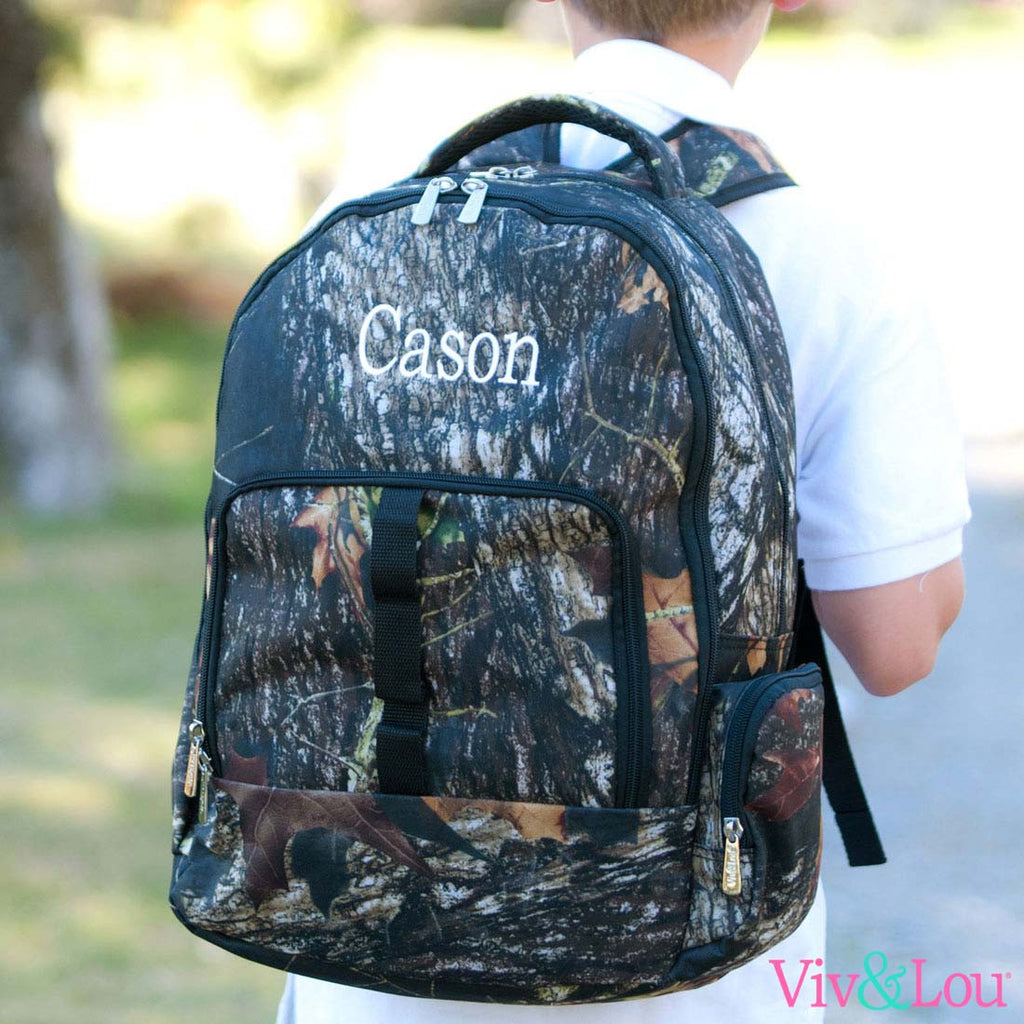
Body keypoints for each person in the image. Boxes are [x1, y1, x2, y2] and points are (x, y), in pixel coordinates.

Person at [277, 1, 970, 1020]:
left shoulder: (374, 215)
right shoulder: (823, 256)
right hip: (682, 950)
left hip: (368, 936)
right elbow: (894, 646)